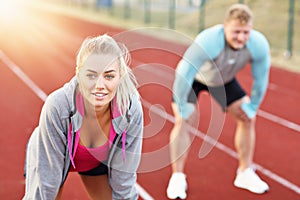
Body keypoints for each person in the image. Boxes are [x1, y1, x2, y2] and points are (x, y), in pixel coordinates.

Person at [167, 4, 270, 199]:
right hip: (194, 79)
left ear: (252, 30)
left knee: (248, 118)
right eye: (236, 31)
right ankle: (177, 177)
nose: (241, 37)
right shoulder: (209, 41)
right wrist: (181, 105)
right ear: (225, 27)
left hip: (223, 81)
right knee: (183, 122)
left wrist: (253, 106)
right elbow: (184, 72)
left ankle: (245, 173)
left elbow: (261, 78)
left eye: (245, 32)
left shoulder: (258, 44)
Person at [23, 34, 144, 200]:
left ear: (120, 76)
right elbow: (45, 191)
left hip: (95, 163)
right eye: (91, 75)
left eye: (109, 76)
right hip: (52, 155)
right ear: (79, 74)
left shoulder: (130, 109)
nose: (99, 86)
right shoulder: (58, 106)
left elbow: (125, 181)